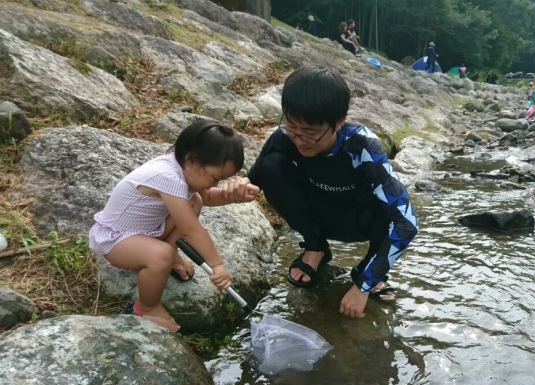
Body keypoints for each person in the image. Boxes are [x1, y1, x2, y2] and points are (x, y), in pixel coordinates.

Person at [222, 66, 419, 318]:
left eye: (311, 133)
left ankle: (368, 272)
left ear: (339, 121)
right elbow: (257, 177)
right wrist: (240, 184)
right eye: (293, 127)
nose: (300, 140)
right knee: (272, 164)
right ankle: (316, 247)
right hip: (317, 214)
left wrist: (362, 287)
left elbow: (407, 223)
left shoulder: (363, 146)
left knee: (390, 213)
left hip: (359, 221)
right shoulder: (286, 136)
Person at [88, 120, 260, 332]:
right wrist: (217, 265)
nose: (214, 185)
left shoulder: (183, 169)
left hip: (146, 232)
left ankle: (168, 255)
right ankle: (147, 308)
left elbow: (205, 197)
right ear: (191, 160)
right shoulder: (167, 176)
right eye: (215, 178)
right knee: (161, 255)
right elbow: (190, 230)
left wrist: (231, 196)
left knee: (194, 200)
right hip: (116, 241)